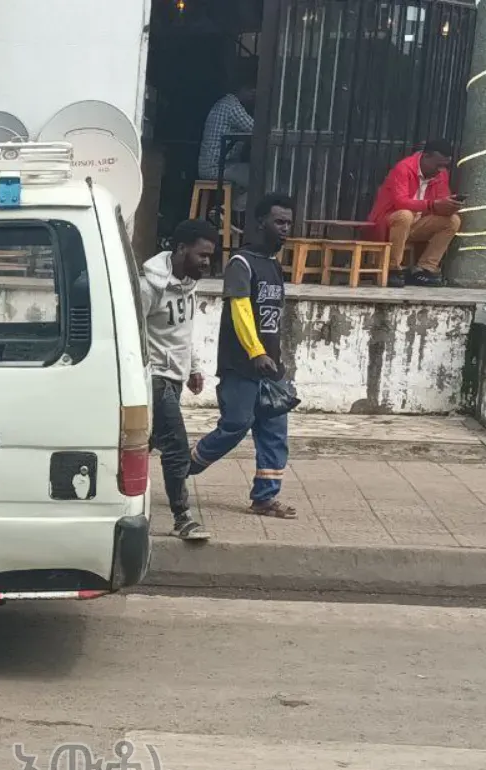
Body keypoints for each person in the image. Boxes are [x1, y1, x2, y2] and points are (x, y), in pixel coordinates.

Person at [189, 193, 297, 520]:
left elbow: (272, 316)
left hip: (271, 367)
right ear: (260, 222)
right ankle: (182, 466)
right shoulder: (241, 263)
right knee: (236, 425)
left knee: (274, 431)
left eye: (289, 223)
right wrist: (256, 351)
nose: (285, 229)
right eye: (279, 222)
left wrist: (276, 358)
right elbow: (241, 308)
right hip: (242, 365)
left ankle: (265, 498)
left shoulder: (274, 265)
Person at [140, 219, 218, 541]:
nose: (206, 262)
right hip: (154, 377)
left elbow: (184, 331)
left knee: (140, 446)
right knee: (175, 448)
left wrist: (194, 367)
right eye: (202, 254)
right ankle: (182, 517)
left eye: (209, 256)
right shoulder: (149, 287)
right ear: (181, 249)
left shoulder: (189, 282)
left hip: (175, 376)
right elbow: (129, 329)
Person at [365, 139, 461, 287]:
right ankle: (392, 268)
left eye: (445, 166)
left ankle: (424, 270)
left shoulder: (440, 174)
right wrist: (432, 204)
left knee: (453, 220)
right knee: (405, 214)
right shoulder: (403, 168)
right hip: (389, 222)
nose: (441, 170)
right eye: (438, 165)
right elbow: (400, 202)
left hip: (416, 223)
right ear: (426, 156)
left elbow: (441, 199)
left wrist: (449, 205)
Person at [198, 83, 256, 213]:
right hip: (217, 168)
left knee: (247, 176)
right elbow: (257, 130)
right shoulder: (232, 106)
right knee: (261, 178)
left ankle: (228, 215)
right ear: (243, 89)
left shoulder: (224, 103)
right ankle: (228, 210)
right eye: (252, 91)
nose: (254, 96)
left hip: (212, 165)